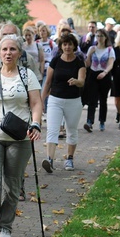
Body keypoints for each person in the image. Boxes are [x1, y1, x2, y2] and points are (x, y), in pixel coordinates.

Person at [0, 35, 43, 237]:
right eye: (4, 49)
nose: (8, 53)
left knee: (13, 184)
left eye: (12, 49)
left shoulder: (27, 75)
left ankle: (6, 226)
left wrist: (35, 123)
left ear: (19, 53)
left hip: (20, 136)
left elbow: (36, 103)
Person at [40, 33, 86, 172]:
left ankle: (69, 159)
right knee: (52, 130)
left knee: (71, 130)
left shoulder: (79, 61)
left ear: (74, 46)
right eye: (64, 44)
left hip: (73, 101)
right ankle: (49, 160)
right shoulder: (55, 61)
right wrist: (41, 101)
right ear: (61, 46)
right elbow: (47, 82)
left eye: (69, 44)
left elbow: (82, 81)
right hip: (55, 99)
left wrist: (76, 81)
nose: (67, 47)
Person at [83, 28, 115, 132]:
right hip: (93, 74)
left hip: (104, 75)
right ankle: (89, 121)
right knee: (92, 99)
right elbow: (87, 64)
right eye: (97, 36)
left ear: (105, 37)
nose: (99, 38)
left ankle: (102, 121)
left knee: (103, 99)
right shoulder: (92, 48)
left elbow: (111, 64)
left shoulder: (110, 50)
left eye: (101, 36)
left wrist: (105, 72)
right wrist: (89, 55)